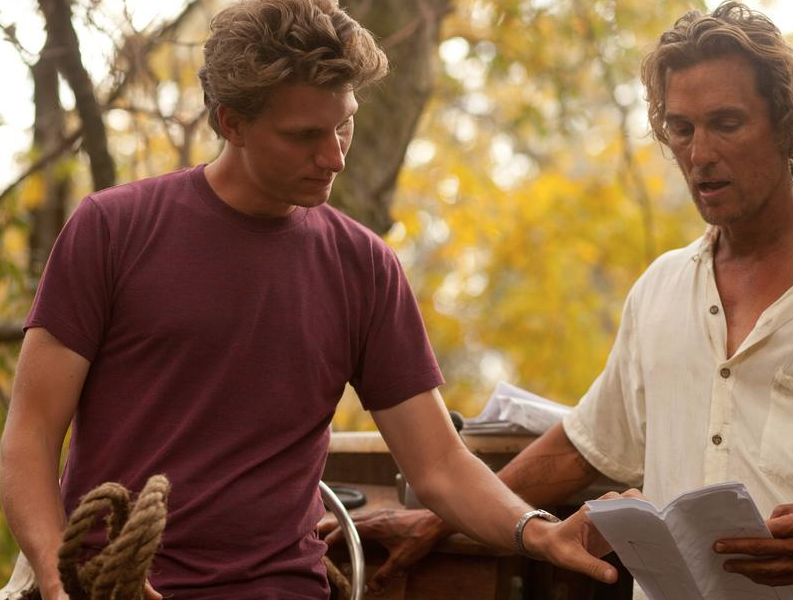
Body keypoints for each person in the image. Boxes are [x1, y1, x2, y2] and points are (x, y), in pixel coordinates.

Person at [0, 1, 623, 599]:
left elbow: (438, 464)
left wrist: (537, 531)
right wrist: (58, 581)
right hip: (113, 583)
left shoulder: (364, 266)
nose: (335, 156)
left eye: (344, 124)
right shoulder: (112, 229)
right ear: (231, 122)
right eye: (304, 135)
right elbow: (29, 435)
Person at [338, 3, 793, 599]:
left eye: (726, 123)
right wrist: (437, 521)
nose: (700, 153)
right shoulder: (661, 290)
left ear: (785, 125)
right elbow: (583, 447)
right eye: (681, 129)